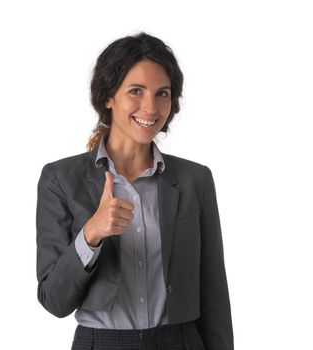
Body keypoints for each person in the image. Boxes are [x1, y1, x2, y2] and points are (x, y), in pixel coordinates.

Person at [36, 32, 234, 350]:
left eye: (162, 94)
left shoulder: (195, 179)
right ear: (108, 96)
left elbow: (213, 293)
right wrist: (91, 235)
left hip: (180, 342)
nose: (150, 107)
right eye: (136, 91)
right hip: (100, 343)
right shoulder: (60, 179)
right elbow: (54, 300)